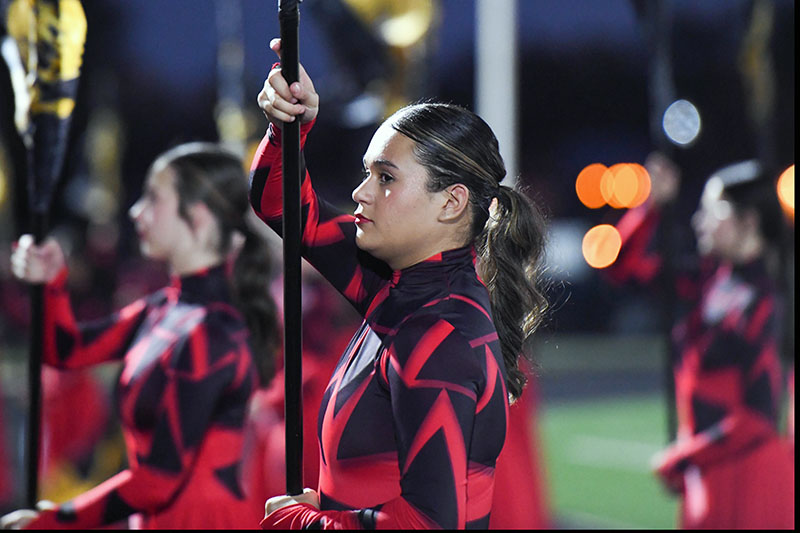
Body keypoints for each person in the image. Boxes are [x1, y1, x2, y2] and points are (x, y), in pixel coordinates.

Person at [249, 39, 549, 530]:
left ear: (451, 202)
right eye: (367, 172)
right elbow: (281, 205)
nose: (360, 192)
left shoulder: (439, 335)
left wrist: (307, 523)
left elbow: (430, 523)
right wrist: (288, 129)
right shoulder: (393, 285)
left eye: (385, 177)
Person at [1, 142, 279, 529]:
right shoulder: (161, 310)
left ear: (197, 216)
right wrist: (52, 283)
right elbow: (65, 350)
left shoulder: (214, 332)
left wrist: (56, 520)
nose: (136, 211)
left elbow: (159, 479)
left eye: (153, 198)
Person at [606, 152, 794, 529]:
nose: (698, 221)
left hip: (751, 478)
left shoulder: (769, 301)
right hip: (708, 474)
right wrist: (652, 206)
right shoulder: (707, 282)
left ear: (748, 221)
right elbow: (619, 266)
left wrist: (685, 457)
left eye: (712, 211)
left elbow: (760, 419)